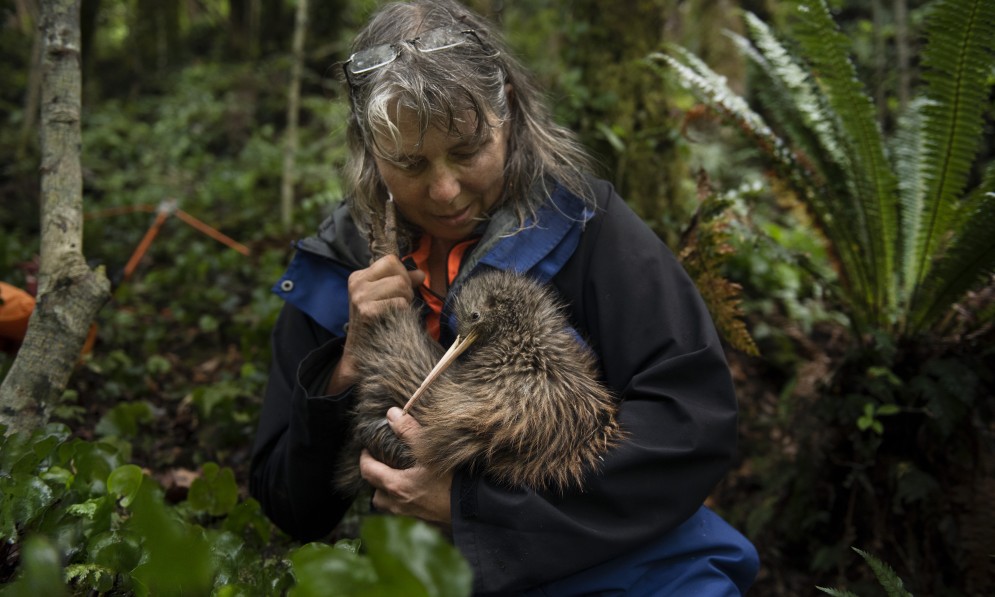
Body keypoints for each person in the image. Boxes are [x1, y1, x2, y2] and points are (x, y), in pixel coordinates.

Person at [249, 0, 759, 594]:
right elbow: (290, 507)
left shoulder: (585, 226)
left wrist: (473, 506)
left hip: (625, 572)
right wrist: (346, 365)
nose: (444, 191)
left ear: (507, 114)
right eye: (410, 163)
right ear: (370, 149)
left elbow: (691, 427)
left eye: (467, 151)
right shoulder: (336, 267)